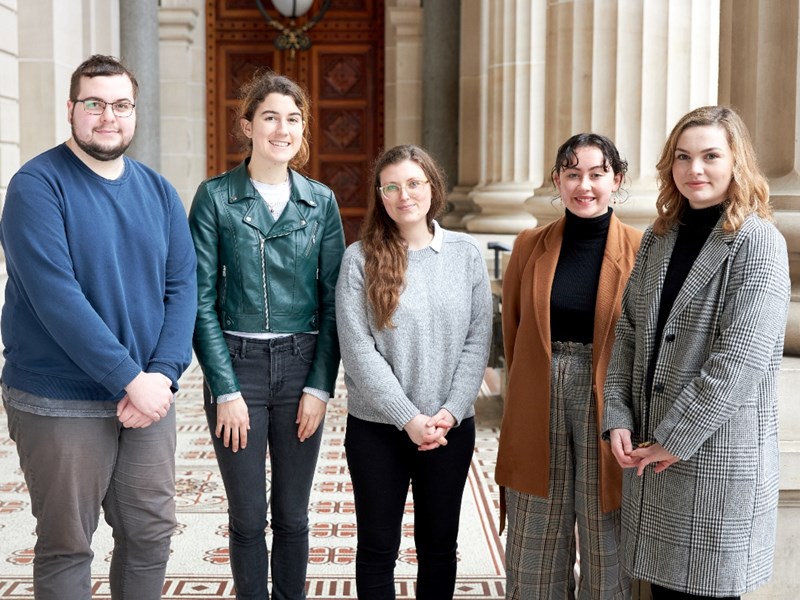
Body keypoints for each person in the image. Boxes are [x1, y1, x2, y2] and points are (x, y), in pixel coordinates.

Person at [0, 55, 197, 599]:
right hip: (59, 398)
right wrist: (129, 379)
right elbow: (55, 297)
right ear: (71, 109)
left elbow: (183, 290)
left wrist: (160, 375)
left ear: (135, 112)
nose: (108, 116)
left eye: (121, 105)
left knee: (150, 533)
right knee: (68, 545)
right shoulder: (36, 186)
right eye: (94, 104)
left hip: (145, 402)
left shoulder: (158, 191)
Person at [602, 105, 791, 599]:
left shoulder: (758, 242)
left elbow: (739, 361)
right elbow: (627, 332)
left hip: (713, 460)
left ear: (736, 163)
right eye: (683, 157)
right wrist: (617, 416)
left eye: (710, 156)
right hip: (651, 454)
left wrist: (673, 438)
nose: (695, 169)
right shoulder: (659, 239)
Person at [189, 70, 345, 600]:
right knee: (248, 516)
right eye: (271, 117)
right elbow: (200, 302)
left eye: (294, 118)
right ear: (248, 125)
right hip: (238, 366)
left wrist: (320, 386)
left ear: (304, 129)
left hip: (303, 366)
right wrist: (225, 390)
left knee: (294, 515)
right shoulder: (214, 198)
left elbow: (333, 303)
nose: (283, 128)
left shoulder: (320, 203)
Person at [335, 144, 493, 599]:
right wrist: (408, 418)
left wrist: (450, 410)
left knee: (440, 548)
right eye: (392, 187)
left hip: (448, 427)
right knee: (378, 548)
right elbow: (358, 350)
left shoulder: (465, 254)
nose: (404, 195)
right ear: (380, 196)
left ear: (431, 187)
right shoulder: (359, 259)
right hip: (377, 430)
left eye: (413, 183)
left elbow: (476, 340)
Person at [495, 133, 642, 599]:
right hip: (538, 395)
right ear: (557, 180)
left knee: (606, 540)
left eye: (597, 174)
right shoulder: (528, 245)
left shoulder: (644, 249)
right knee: (535, 539)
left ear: (616, 180)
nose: (585, 185)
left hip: (609, 401)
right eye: (573, 173)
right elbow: (513, 331)